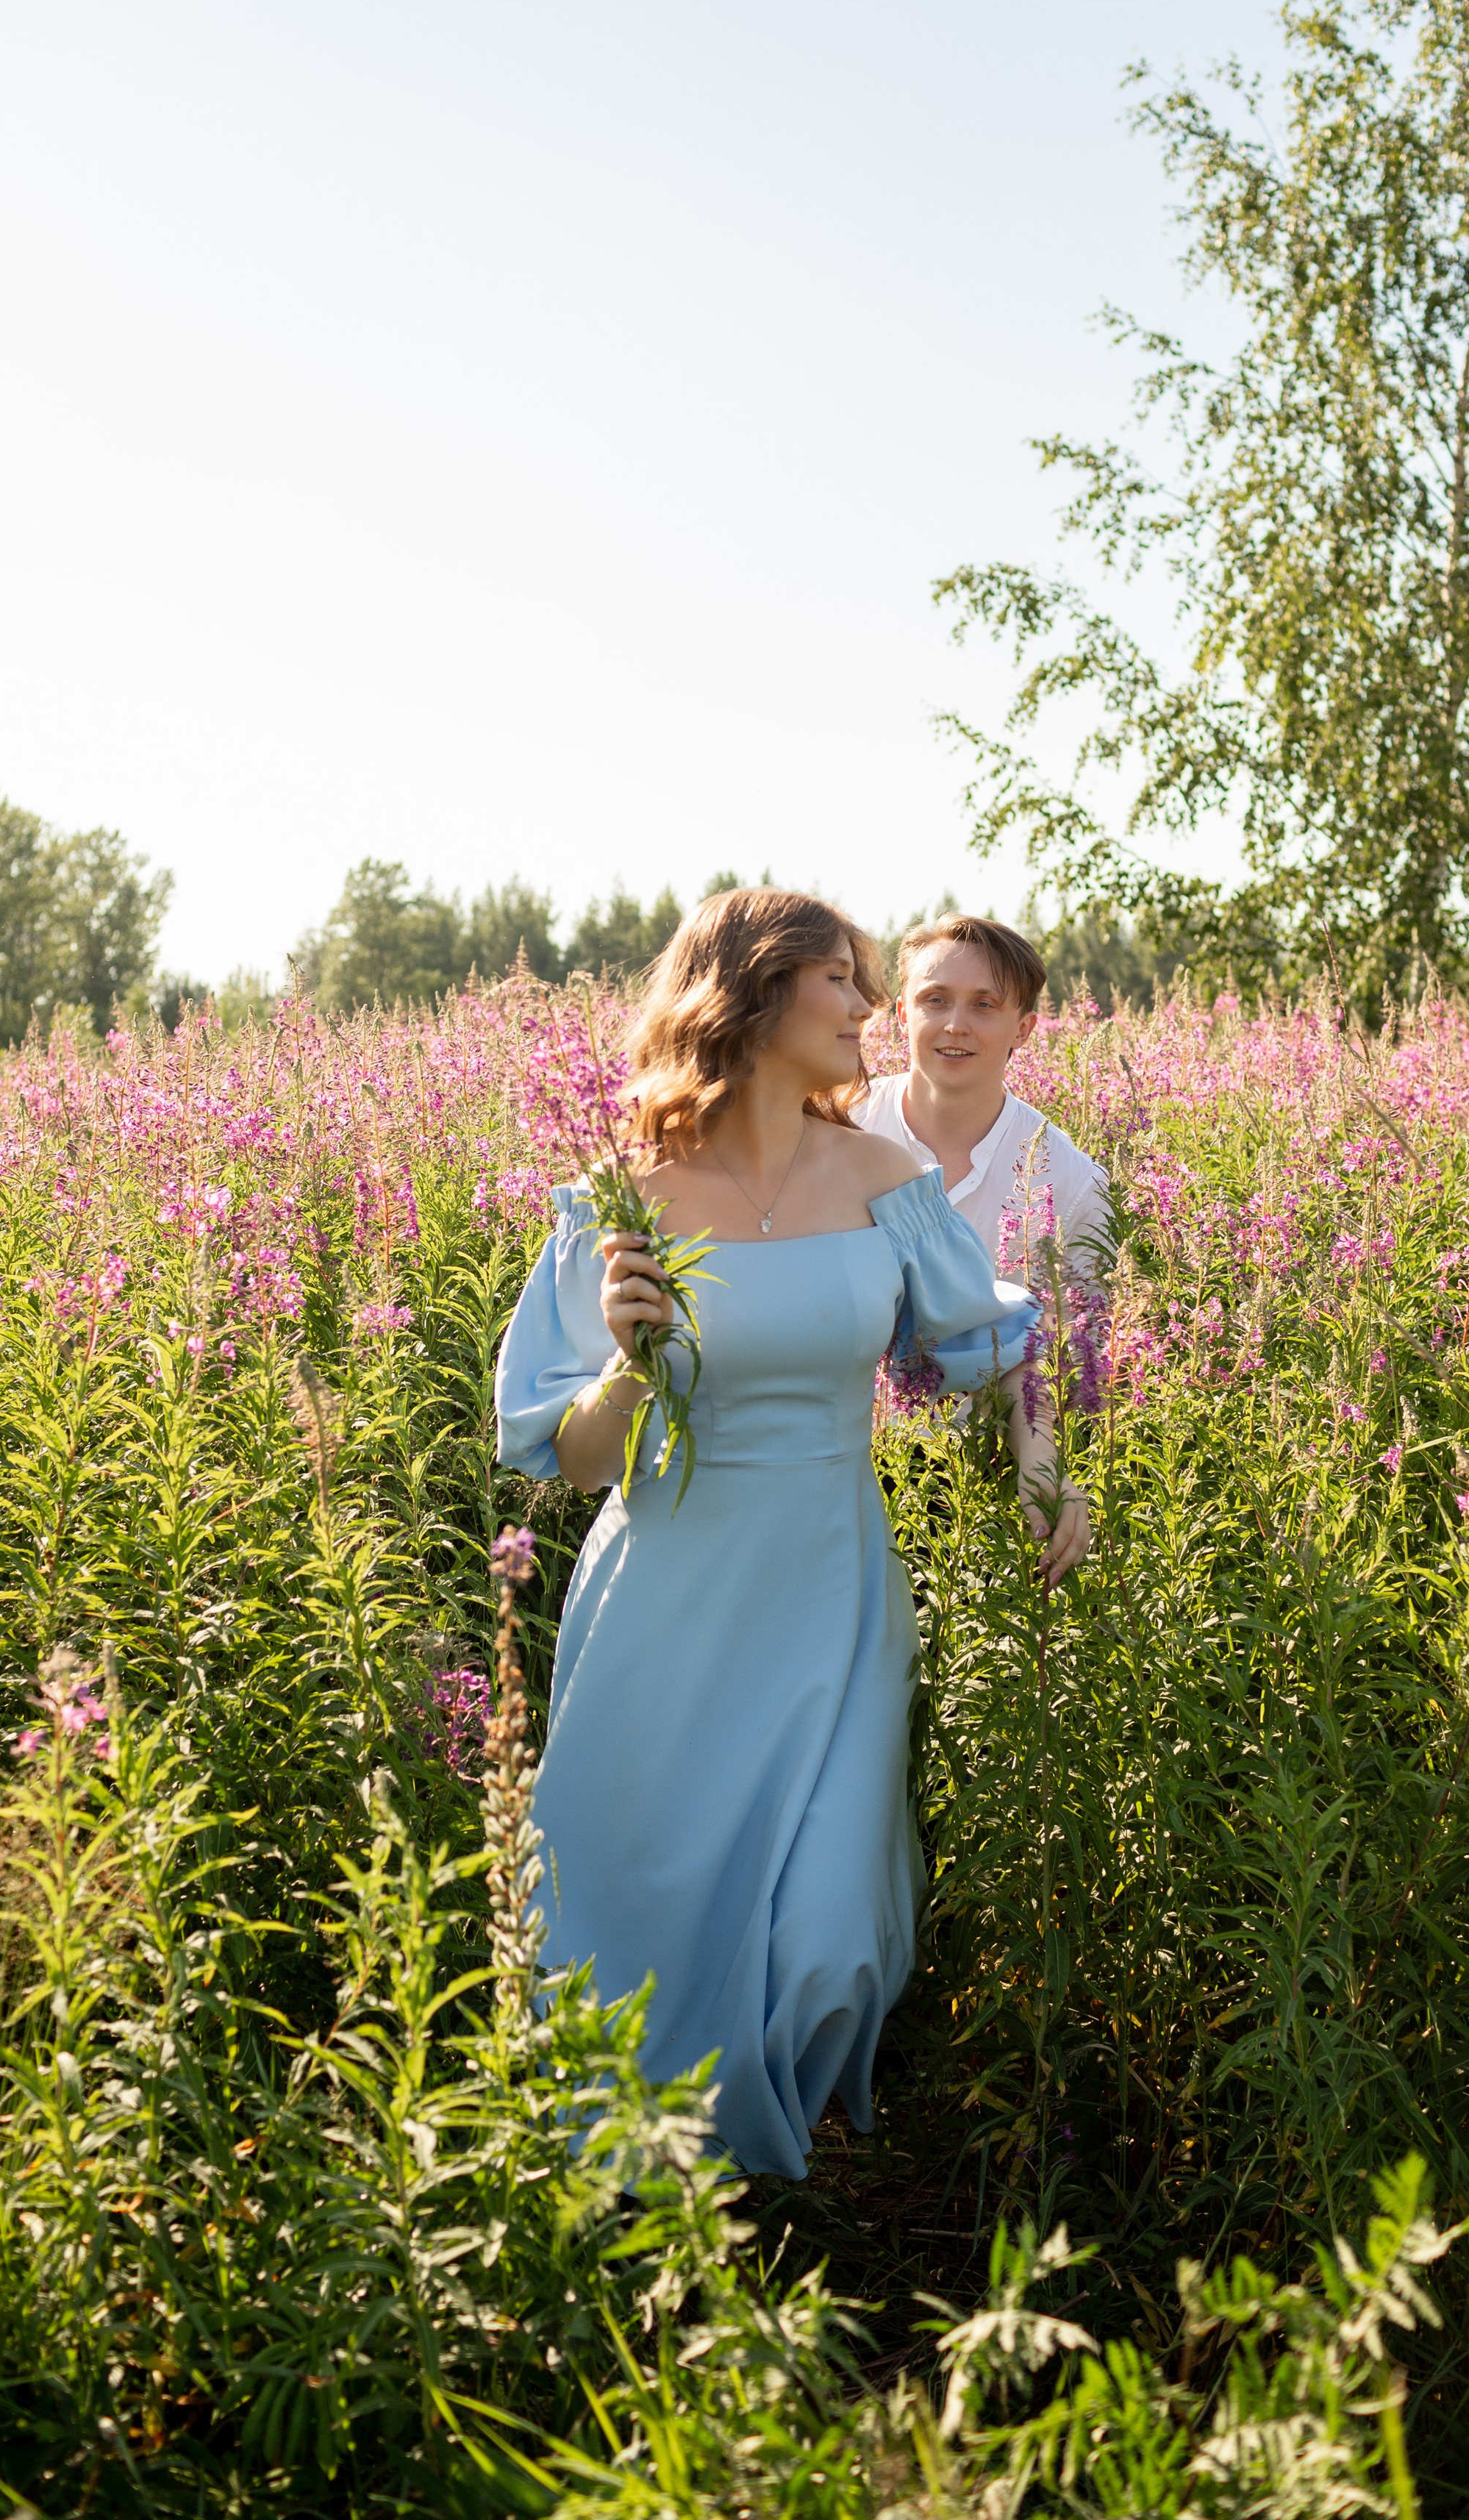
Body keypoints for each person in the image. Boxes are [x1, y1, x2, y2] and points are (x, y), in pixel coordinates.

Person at [494, 888, 1043, 2180]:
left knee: (836, 1935)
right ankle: (649, 2193)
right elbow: (566, 1461)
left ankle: (758, 2145)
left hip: (833, 1595)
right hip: (667, 1597)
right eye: (844, 983)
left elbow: (988, 1345)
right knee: (638, 1900)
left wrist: (1047, 1471)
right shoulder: (616, 1196)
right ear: (752, 994)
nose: (871, 1011)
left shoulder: (887, 1180)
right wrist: (628, 1367)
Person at [857, 914, 1107, 1574]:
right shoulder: (838, 1130)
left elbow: (1062, 1353)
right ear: (900, 1014)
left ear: (1024, 1028)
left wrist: (1045, 1470)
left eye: (985, 1005)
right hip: (835, 1461)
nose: (954, 1025)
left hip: (983, 1483)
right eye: (934, 1000)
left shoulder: (1071, 1179)